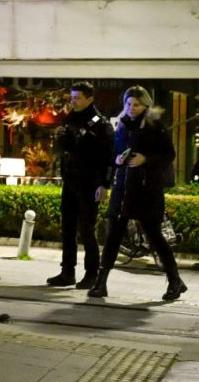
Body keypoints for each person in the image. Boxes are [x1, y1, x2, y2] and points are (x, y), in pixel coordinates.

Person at [89, 86, 186, 301]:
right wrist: (117, 161)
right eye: (128, 104)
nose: (132, 108)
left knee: (155, 237)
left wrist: (146, 159)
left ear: (146, 105)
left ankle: (174, 280)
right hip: (122, 189)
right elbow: (113, 155)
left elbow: (169, 154)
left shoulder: (155, 126)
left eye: (137, 104)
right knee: (112, 236)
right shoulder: (122, 126)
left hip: (147, 190)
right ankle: (100, 283)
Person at [47, 82, 114, 289]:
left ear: (89, 99)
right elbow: (66, 149)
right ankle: (67, 271)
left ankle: (92, 273)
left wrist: (104, 184)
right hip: (71, 180)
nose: (73, 101)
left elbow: (107, 157)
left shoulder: (99, 123)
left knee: (86, 229)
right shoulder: (70, 118)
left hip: (90, 181)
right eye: (72, 97)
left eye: (77, 98)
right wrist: (60, 139)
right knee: (67, 228)